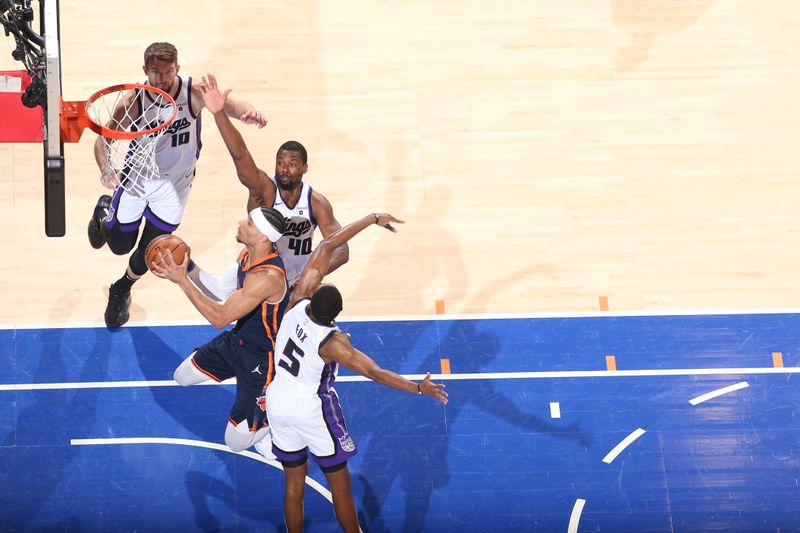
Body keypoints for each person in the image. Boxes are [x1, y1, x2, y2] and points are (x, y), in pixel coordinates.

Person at [265, 212, 449, 533]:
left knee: (294, 486)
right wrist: (418, 388)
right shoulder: (334, 343)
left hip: (278, 401)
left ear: (312, 295)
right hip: (311, 409)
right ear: (337, 314)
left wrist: (370, 219)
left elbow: (327, 244)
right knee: (341, 487)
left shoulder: (297, 300)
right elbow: (375, 372)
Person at [87, 42, 268, 328]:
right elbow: (103, 139)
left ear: (178, 69)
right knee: (120, 247)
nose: (162, 77)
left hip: (175, 188)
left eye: (168, 71)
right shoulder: (134, 100)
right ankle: (104, 212)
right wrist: (106, 167)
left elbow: (230, 105)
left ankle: (121, 288)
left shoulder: (192, 92)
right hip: (138, 179)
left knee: (153, 251)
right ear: (145, 70)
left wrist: (249, 112)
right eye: (155, 71)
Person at [150, 205, 288, 453]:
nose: (241, 222)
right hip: (237, 342)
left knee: (235, 443)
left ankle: (273, 420)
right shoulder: (247, 256)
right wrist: (188, 266)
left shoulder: (267, 277)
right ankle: (240, 378)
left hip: (261, 360)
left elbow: (220, 317)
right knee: (182, 377)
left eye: (249, 223)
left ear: (263, 237)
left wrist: (181, 281)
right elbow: (216, 290)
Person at [197, 73, 348, 289]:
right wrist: (220, 114)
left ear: (305, 168)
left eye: (292, 163)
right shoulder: (264, 190)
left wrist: (311, 274)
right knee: (217, 292)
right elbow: (241, 155)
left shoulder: (316, 203)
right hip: (260, 272)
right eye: (280, 162)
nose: (285, 168)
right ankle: (185, 269)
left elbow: (341, 250)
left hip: (297, 277)